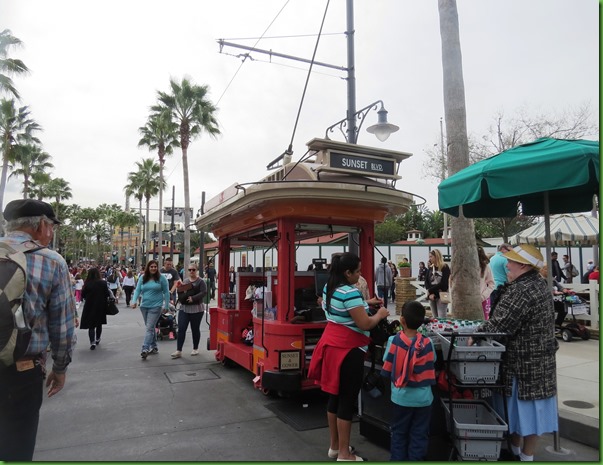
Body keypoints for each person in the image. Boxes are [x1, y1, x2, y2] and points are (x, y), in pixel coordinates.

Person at [0, 199, 76, 461]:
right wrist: (60, 368)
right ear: (42, 225)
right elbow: (62, 327)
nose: (51, 233)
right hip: (21, 371)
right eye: (52, 226)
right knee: (16, 448)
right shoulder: (50, 261)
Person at [469, 244, 558, 462]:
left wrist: (475, 334)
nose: (507, 265)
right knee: (526, 416)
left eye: (511, 261)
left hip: (524, 365)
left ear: (523, 266)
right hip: (537, 363)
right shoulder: (537, 283)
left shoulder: (522, 290)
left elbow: (501, 324)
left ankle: (524, 456)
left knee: (525, 414)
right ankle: (517, 451)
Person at [307, 252, 388, 461]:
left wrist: (366, 302)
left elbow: (343, 310)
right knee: (347, 399)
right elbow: (365, 324)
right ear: (348, 273)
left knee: (334, 397)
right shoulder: (350, 292)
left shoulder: (329, 288)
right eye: (358, 271)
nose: (360, 275)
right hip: (349, 351)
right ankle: (344, 454)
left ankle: (335, 446)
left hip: (331, 347)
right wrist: (380, 314)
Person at [381, 300, 436, 461]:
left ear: (402, 320)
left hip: (401, 398)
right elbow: (433, 359)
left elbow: (386, 361)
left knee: (399, 433)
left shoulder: (393, 341)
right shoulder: (427, 342)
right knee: (419, 435)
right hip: (423, 400)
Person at [131, 260, 170, 360]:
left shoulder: (161, 278)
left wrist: (166, 306)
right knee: (150, 328)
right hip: (144, 306)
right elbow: (137, 290)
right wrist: (134, 301)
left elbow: (166, 292)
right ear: (148, 268)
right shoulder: (143, 277)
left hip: (156, 306)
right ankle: (154, 347)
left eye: (155, 267)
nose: (153, 268)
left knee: (149, 328)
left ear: (157, 268)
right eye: (151, 266)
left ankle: (145, 348)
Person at [171, 264, 207, 359]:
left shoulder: (201, 281)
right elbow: (182, 292)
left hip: (196, 309)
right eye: (190, 270)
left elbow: (204, 292)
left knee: (195, 329)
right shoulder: (186, 281)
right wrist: (179, 288)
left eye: (193, 270)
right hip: (184, 308)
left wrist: (193, 298)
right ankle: (179, 350)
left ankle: (195, 348)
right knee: (181, 329)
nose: (191, 271)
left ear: (196, 270)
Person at [80, 267, 113, 350]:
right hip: (100, 305)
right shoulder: (103, 283)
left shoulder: (87, 283)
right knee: (99, 323)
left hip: (89, 306)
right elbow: (107, 293)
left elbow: (83, 295)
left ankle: (92, 342)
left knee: (91, 325)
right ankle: (98, 338)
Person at [424, 249, 450, 318]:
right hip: (431, 295)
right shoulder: (430, 268)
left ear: (436, 256)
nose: (429, 258)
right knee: (434, 317)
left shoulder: (444, 267)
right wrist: (430, 293)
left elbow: (444, 283)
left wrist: (430, 291)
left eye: (431, 256)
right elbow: (426, 281)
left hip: (441, 294)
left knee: (442, 316)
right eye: (429, 257)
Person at [488, 243, 511, 312]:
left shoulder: (492, 258)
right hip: (501, 287)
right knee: (501, 309)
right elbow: (509, 275)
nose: (511, 253)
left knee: (492, 309)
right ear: (503, 249)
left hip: (492, 287)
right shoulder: (505, 259)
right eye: (509, 251)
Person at [478, 246, 495, 319]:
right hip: (468, 300)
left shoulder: (486, 267)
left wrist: (483, 296)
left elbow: (492, 284)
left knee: (483, 321)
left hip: (483, 300)